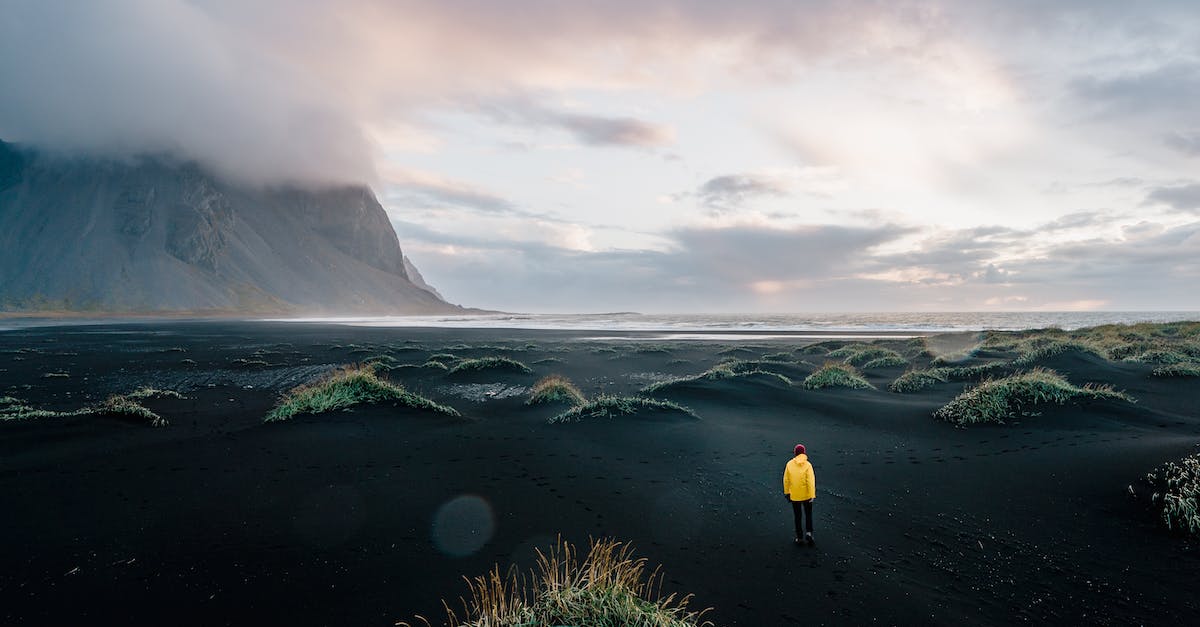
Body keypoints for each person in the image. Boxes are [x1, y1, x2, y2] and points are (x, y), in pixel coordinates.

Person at [783, 443, 816, 546]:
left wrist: (787, 493)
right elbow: (810, 481)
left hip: (795, 495)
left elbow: (786, 480)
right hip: (806, 494)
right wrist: (812, 495)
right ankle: (809, 533)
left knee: (798, 516)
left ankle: (799, 537)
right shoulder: (808, 465)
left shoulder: (789, 464)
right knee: (808, 514)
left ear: (795, 453)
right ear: (804, 452)